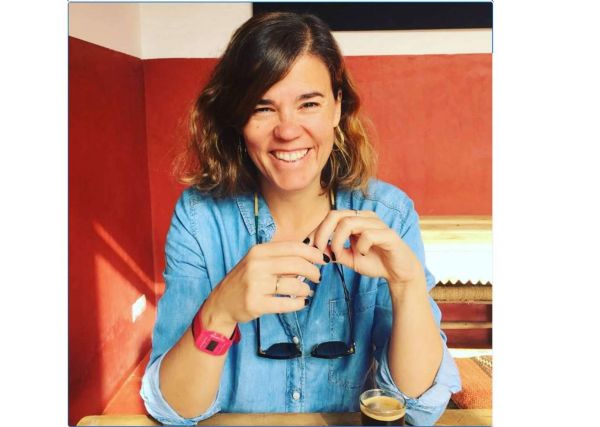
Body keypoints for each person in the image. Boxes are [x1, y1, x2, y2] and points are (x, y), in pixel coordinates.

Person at [140, 11, 461, 426]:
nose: (288, 131)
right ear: (238, 118)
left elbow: (418, 407)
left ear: (337, 107)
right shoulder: (200, 219)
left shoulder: (389, 214)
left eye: (308, 104)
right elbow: (173, 410)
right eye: (263, 108)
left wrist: (407, 285)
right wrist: (219, 312)